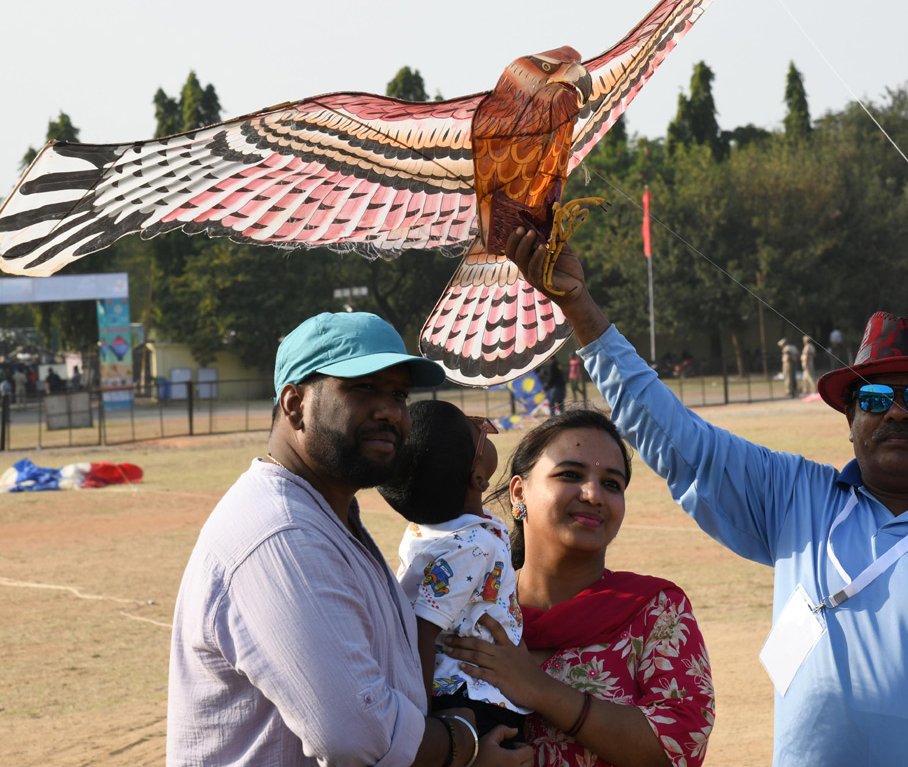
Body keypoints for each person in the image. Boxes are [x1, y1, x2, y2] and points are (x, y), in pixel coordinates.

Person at [502, 226, 908, 767]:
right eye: (875, 400)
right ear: (849, 419)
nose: (896, 416)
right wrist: (579, 306)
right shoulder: (796, 497)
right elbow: (672, 434)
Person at [167, 311, 531, 767]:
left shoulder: (325, 515)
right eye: (362, 388)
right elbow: (355, 735)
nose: (392, 412)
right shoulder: (284, 537)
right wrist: (464, 743)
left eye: (399, 393)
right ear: (294, 404)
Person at [442, 410, 715, 767]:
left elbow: (681, 745)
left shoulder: (655, 611)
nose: (593, 495)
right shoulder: (464, 605)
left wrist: (539, 690)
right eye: (570, 474)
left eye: (612, 484)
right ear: (519, 492)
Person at [378, 400, 530, 744]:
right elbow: (422, 629)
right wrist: (426, 719)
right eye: (477, 430)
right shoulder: (473, 545)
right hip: (472, 698)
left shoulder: (429, 527)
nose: (483, 425)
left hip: (466, 691)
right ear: (479, 477)